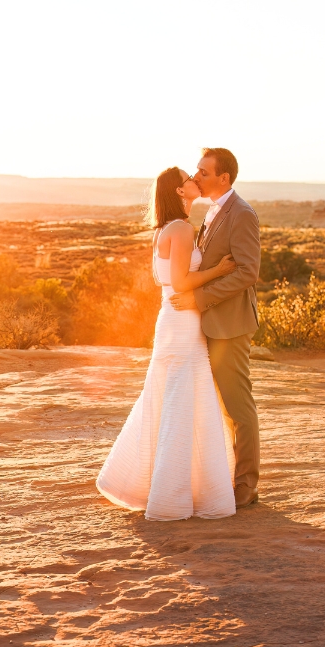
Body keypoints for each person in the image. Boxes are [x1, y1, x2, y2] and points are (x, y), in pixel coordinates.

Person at [96, 166, 237, 520]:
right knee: (182, 396)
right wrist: (219, 271)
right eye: (191, 178)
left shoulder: (166, 229)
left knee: (172, 394)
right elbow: (180, 280)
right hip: (182, 318)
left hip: (172, 318)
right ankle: (175, 493)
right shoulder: (182, 228)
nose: (196, 181)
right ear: (179, 191)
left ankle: (165, 485)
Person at [170, 148, 261, 509]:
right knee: (218, 407)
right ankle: (224, 477)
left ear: (224, 178)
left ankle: (246, 485)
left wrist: (200, 298)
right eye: (197, 171)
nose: (197, 177)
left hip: (230, 325)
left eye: (204, 172)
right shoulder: (212, 211)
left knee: (238, 408)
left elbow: (247, 272)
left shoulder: (242, 214)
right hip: (209, 323)